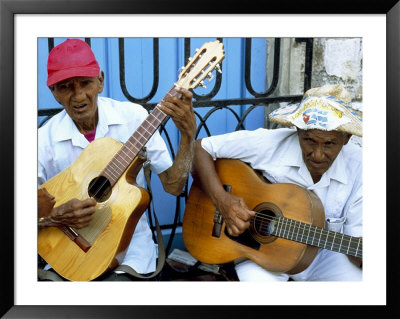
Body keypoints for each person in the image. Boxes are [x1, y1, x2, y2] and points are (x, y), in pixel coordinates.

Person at [37, 38, 196, 281]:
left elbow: (174, 186)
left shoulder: (134, 118)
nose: (78, 95)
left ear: (100, 81)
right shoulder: (43, 139)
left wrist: (187, 135)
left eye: (85, 83)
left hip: (128, 250)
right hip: (65, 253)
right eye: (66, 87)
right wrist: (55, 216)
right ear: (54, 93)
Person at [192, 83, 362, 281]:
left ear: (347, 138)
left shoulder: (362, 167)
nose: (317, 155)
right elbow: (200, 148)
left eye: (329, 144)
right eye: (309, 141)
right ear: (298, 130)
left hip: (323, 255)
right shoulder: (271, 143)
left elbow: (357, 242)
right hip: (260, 255)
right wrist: (222, 200)